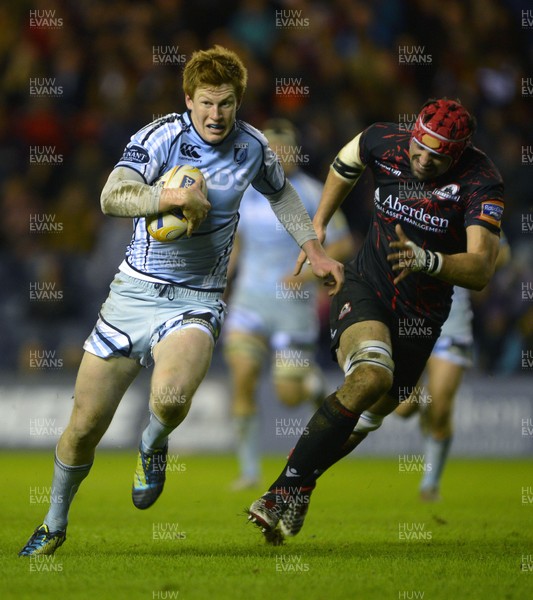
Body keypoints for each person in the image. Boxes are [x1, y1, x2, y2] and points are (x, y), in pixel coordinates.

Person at [18, 45, 344, 556]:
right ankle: (54, 523)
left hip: (197, 299)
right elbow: (111, 196)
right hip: (133, 293)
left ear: (239, 102)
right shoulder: (159, 137)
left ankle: (152, 442)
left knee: (169, 399)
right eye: (208, 103)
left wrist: (315, 251)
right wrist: (168, 197)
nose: (217, 115)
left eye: (228, 104)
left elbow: (281, 194)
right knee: (83, 429)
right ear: (188, 99)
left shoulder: (253, 148)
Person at [246, 98, 504, 545]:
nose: (422, 160)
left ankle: (302, 483)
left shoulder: (482, 182)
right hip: (365, 284)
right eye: (418, 149)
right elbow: (345, 164)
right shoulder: (384, 139)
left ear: (459, 152)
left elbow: (481, 269)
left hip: (421, 315)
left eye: (436, 156)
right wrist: (319, 225)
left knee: (375, 413)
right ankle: (280, 491)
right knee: (370, 375)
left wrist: (428, 260)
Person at [223, 119, 355, 491]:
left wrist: (307, 274)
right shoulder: (247, 191)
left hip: (294, 305)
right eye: (272, 148)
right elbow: (237, 244)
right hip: (250, 299)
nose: (279, 155)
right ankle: (249, 471)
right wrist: (221, 281)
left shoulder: (313, 193)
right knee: (243, 377)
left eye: (285, 148)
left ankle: (311, 385)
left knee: (288, 395)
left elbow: (343, 244)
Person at [395, 234, 510, 502]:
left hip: (451, 322)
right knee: (402, 408)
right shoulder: (404, 201)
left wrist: (479, 263)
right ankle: (423, 394)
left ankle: (430, 484)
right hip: (407, 318)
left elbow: (503, 253)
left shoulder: (469, 207)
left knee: (441, 406)